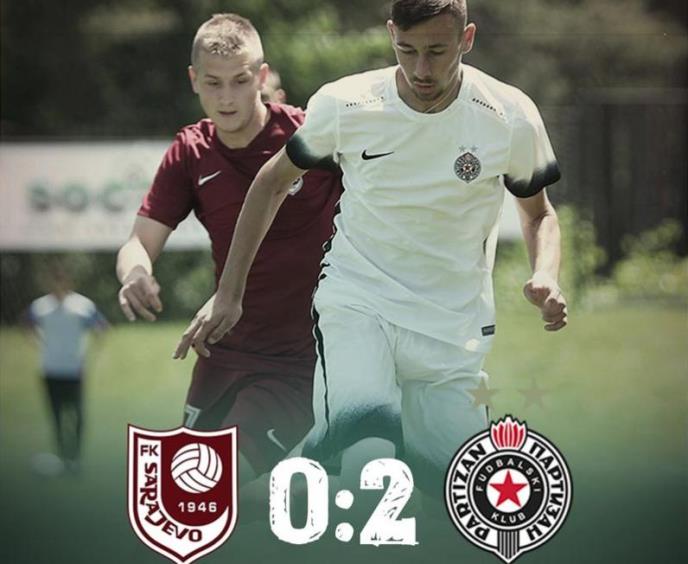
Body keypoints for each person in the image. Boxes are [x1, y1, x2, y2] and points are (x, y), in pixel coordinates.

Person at [174, 0, 567, 497]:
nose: (421, 69)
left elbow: (539, 214)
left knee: (457, 495)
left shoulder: (510, 115)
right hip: (359, 306)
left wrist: (545, 274)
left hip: (453, 329)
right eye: (406, 49)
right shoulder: (347, 104)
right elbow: (270, 183)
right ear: (390, 35)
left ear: (466, 39)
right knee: (369, 461)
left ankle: (273, 493)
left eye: (437, 51)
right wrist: (230, 294)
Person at [116, 13, 341, 486]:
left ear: (262, 76)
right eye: (213, 83)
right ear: (193, 80)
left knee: (218, 484)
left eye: (240, 81)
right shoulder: (190, 151)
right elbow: (139, 241)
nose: (226, 98)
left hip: (300, 361)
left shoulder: (311, 138)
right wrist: (136, 273)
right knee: (188, 497)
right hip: (221, 352)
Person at [26, 260, 108, 474]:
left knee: (77, 415)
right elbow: (27, 326)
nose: (58, 284)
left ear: (68, 281)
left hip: (74, 369)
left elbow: (101, 327)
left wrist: (89, 352)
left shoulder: (82, 306)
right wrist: (40, 343)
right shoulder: (40, 306)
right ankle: (63, 457)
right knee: (56, 417)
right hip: (50, 369)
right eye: (54, 280)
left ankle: (76, 457)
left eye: (61, 280)